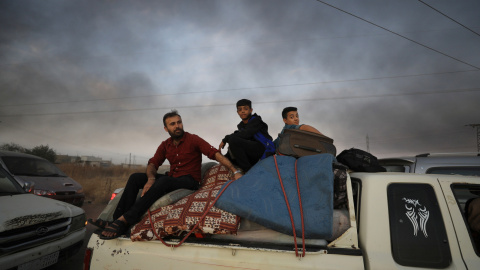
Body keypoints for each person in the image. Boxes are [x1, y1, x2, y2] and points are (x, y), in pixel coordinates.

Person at [90, 110, 243, 240]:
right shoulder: (165, 145)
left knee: (163, 182)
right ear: (166, 128)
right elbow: (152, 164)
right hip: (172, 178)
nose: (177, 126)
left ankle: (125, 220)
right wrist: (150, 179)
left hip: (189, 181)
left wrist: (234, 171)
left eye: (179, 122)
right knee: (136, 178)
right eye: (173, 124)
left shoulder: (193, 139)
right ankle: (115, 219)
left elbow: (214, 154)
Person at [219, 99, 275, 173]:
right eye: (240, 109)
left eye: (245, 109)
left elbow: (246, 134)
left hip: (262, 148)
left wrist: (225, 139)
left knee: (234, 140)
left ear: (251, 110)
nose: (242, 111)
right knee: (229, 152)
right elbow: (239, 135)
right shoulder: (241, 126)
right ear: (237, 112)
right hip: (251, 151)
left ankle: (247, 171)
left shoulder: (256, 121)